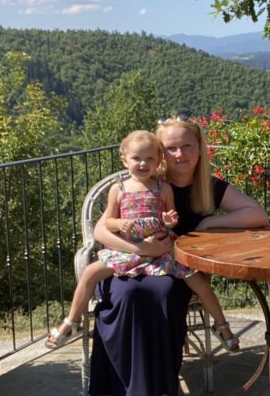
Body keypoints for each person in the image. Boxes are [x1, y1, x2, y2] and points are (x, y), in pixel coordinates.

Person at [87, 115, 268, 396]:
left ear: (200, 150)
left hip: (176, 270)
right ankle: (135, 392)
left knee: (165, 293)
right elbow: (102, 230)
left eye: (187, 146)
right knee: (128, 294)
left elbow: (258, 214)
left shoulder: (209, 187)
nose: (180, 154)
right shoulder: (144, 183)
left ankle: (167, 391)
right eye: (171, 148)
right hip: (131, 262)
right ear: (160, 152)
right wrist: (140, 250)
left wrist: (211, 222)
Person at [46, 130, 240, 354]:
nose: (143, 164)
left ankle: (222, 326)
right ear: (124, 160)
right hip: (129, 251)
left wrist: (169, 221)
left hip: (161, 249)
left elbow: (170, 219)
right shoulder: (118, 190)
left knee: (198, 281)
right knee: (90, 272)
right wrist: (119, 225)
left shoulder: (163, 188)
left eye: (149, 159)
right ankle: (72, 322)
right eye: (137, 158)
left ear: (158, 161)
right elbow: (108, 221)